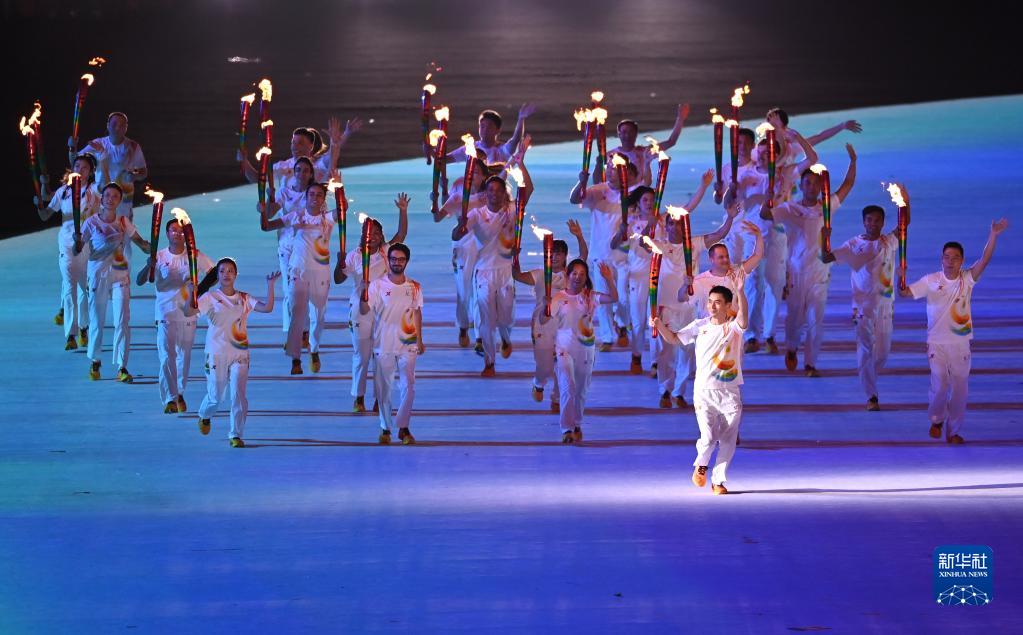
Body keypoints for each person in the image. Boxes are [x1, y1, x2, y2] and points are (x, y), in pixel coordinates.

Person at [900, 219, 1008, 443]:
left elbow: (985, 260)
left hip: (960, 344)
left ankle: (953, 431)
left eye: (955, 257)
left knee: (960, 390)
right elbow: (905, 293)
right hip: (936, 343)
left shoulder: (967, 280)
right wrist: (900, 279)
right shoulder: (931, 280)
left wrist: (993, 235)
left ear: (962, 261)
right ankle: (936, 419)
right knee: (939, 385)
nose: (950, 261)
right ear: (941, 259)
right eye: (946, 257)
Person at [761, 144, 857, 376]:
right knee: (795, 317)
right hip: (796, 271)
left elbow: (847, 186)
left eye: (815, 183)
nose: (811, 187)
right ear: (801, 186)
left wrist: (853, 162)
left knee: (815, 319)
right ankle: (792, 347)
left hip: (820, 272)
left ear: (821, 186)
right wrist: (769, 198)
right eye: (807, 183)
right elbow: (765, 215)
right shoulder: (789, 208)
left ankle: (811, 364)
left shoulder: (827, 207)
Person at [654, 272, 750, 495]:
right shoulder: (699, 325)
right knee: (708, 437)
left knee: (728, 439)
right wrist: (658, 324)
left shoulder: (734, 328)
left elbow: (744, 319)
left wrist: (740, 291)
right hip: (704, 392)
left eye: (718, 302)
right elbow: (674, 338)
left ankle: (718, 480)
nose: (712, 306)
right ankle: (701, 464)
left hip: (729, 392)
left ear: (728, 306)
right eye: (710, 301)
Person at [822, 189, 909, 410]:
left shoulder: (889, 242)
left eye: (877, 220)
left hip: (886, 306)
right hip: (863, 307)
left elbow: (904, 224)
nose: (873, 224)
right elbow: (826, 257)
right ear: (863, 222)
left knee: (882, 354)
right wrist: (825, 236)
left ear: (882, 223)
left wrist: (903, 201)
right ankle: (871, 396)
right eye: (869, 220)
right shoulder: (854, 245)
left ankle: (867, 375)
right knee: (866, 348)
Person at [733, 127, 817, 354]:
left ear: (777, 155)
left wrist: (798, 137)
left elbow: (812, 158)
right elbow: (732, 201)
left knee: (774, 284)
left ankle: (769, 335)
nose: (763, 156)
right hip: (752, 235)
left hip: (778, 234)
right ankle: (751, 336)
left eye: (768, 153)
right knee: (752, 284)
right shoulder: (746, 175)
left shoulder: (787, 173)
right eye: (760, 153)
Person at [190, 259, 279, 448]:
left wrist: (270, 286)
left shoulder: (244, 298)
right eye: (222, 271)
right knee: (216, 397)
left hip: (240, 354)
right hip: (216, 354)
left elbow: (267, 308)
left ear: (236, 275)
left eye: (230, 271)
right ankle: (204, 415)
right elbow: (189, 312)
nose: (226, 274)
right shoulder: (210, 297)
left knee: (238, 395)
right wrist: (192, 294)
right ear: (217, 275)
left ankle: (235, 434)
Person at [335, 195, 409, 411]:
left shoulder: (386, 252)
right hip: (360, 310)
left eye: (376, 233)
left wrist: (403, 210)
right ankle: (358, 398)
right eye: (368, 233)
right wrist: (339, 262)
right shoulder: (354, 256)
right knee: (362, 356)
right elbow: (338, 280)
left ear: (381, 236)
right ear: (362, 235)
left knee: (382, 356)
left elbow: (401, 234)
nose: (372, 236)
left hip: (383, 311)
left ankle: (379, 397)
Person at [452, 175, 530, 376]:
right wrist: (460, 225)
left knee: (505, 318)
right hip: (483, 273)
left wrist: (521, 165)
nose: (494, 193)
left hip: (505, 272)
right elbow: (456, 235)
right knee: (486, 320)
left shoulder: (512, 211)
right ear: (486, 194)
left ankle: (505, 338)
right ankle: (489, 363)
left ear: (504, 193)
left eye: (498, 190)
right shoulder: (476, 214)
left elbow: (528, 190)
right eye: (490, 190)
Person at [136, 218, 214, 413]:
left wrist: (199, 289)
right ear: (167, 234)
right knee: (166, 355)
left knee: (183, 356)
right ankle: (170, 398)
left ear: (186, 235)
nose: (177, 233)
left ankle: (179, 392)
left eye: (180, 231)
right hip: (165, 312)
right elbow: (139, 280)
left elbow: (213, 273)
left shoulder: (194, 255)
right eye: (173, 230)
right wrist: (148, 266)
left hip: (188, 312)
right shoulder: (159, 256)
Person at [76, 183, 151, 381]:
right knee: (97, 320)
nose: (110, 199)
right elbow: (79, 248)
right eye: (107, 195)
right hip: (98, 274)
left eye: (115, 196)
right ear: (101, 199)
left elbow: (141, 244)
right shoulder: (91, 223)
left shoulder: (124, 222)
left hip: (120, 275)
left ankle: (122, 366)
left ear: (119, 201)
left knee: (122, 321)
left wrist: (151, 247)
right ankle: (95, 361)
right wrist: (77, 240)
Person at [512, 220, 588, 411]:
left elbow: (584, 257)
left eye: (559, 254)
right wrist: (514, 257)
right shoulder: (539, 274)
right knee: (545, 365)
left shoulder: (571, 275)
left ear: (565, 257)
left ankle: (557, 398)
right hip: (542, 324)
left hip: (565, 325)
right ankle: (539, 382)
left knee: (563, 364)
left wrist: (579, 236)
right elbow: (517, 275)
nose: (554, 257)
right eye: (551, 253)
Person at [540, 260, 618, 443]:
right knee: (568, 387)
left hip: (586, 350)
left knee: (581, 390)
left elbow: (614, 298)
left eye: (582, 274)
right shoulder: (558, 298)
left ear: (586, 277)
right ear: (568, 275)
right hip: (563, 349)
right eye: (574, 273)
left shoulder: (590, 296)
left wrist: (609, 279)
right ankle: (566, 429)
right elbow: (544, 321)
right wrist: (545, 307)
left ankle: (576, 423)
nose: (578, 277)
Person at [569, 158, 641, 350]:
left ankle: (622, 324)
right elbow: (574, 199)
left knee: (624, 298)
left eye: (615, 168)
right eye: (608, 167)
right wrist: (582, 182)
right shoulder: (598, 191)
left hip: (625, 257)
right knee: (604, 299)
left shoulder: (634, 194)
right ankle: (608, 337)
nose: (610, 171)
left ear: (624, 171)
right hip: (601, 255)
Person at [360, 243, 424, 445]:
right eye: (394, 259)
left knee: (409, 387)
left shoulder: (414, 287)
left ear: (407, 262)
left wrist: (420, 339)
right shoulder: (377, 285)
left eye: (401, 259)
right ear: (388, 261)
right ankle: (385, 428)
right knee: (384, 389)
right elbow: (364, 310)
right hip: (383, 343)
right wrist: (363, 293)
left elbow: (417, 311)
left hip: (408, 343)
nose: (397, 263)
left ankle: (404, 428)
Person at [38, 153, 101, 350]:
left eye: (84, 168)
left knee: (84, 290)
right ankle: (71, 335)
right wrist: (39, 201)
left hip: (87, 245)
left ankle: (83, 327)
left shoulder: (94, 191)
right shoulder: (64, 191)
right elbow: (45, 215)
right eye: (77, 166)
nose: (80, 170)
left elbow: (104, 189)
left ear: (91, 172)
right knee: (69, 287)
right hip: (66, 245)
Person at [261, 156, 316, 343]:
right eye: (298, 170)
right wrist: (269, 198)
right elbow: (269, 215)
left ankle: (304, 331)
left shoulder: (314, 194)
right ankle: (293, 333)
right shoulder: (284, 193)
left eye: (306, 170)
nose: (301, 173)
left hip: (307, 248)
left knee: (304, 291)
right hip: (286, 246)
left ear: (311, 174)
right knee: (289, 290)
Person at [239, 118, 360, 190]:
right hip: (289, 222)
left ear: (311, 146)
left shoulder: (318, 164)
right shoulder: (282, 166)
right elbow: (257, 179)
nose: (294, 146)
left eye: (300, 143)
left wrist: (346, 133)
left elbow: (332, 153)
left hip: (314, 220)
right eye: (293, 142)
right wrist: (244, 160)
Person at [608, 104, 690, 185]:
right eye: (624, 132)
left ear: (635, 134)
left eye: (630, 132)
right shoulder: (610, 155)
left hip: (639, 191)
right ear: (619, 134)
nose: (627, 135)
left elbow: (671, 142)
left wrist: (680, 118)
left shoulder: (644, 152)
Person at [447, 105, 535, 165]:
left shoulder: (502, 150)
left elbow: (515, 140)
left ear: (498, 130)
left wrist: (521, 119)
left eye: (489, 126)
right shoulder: (470, 148)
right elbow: (445, 159)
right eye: (482, 126)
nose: (485, 129)